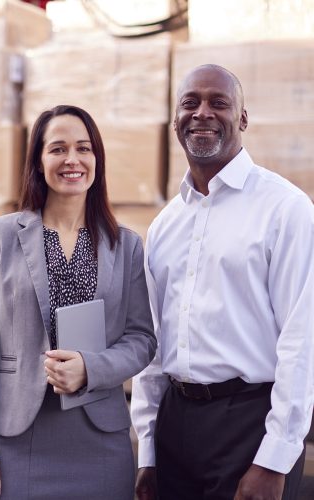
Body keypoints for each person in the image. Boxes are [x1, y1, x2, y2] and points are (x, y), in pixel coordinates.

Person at [131, 64, 314, 500]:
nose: (202, 113)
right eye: (190, 103)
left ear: (243, 119)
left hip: (249, 424)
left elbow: (302, 340)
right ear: (175, 119)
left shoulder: (285, 209)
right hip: (175, 426)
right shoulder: (164, 225)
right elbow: (153, 345)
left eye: (219, 102)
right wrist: (148, 452)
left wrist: (274, 459)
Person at [0, 104, 156, 500]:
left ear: (96, 159)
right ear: (38, 160)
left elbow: (142, 339)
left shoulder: (127, 245)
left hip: (99, 437)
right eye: (58, 148)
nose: (72, 160)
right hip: (18, 437)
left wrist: (92, 367)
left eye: (84, 148)